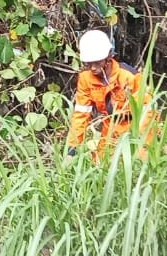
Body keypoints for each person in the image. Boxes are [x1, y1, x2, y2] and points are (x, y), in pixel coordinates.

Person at [67, 30, 157, 162]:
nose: (92, 68)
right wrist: (72, 148)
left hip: (135, 126)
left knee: (139, 163)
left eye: (97, 62)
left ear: (108, 57)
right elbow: (81, 114)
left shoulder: (129, 76)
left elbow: (148, 110)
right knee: (101, 165)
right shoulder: (85, 79)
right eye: (88, 63)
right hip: (110, 127)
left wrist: (138, 138)